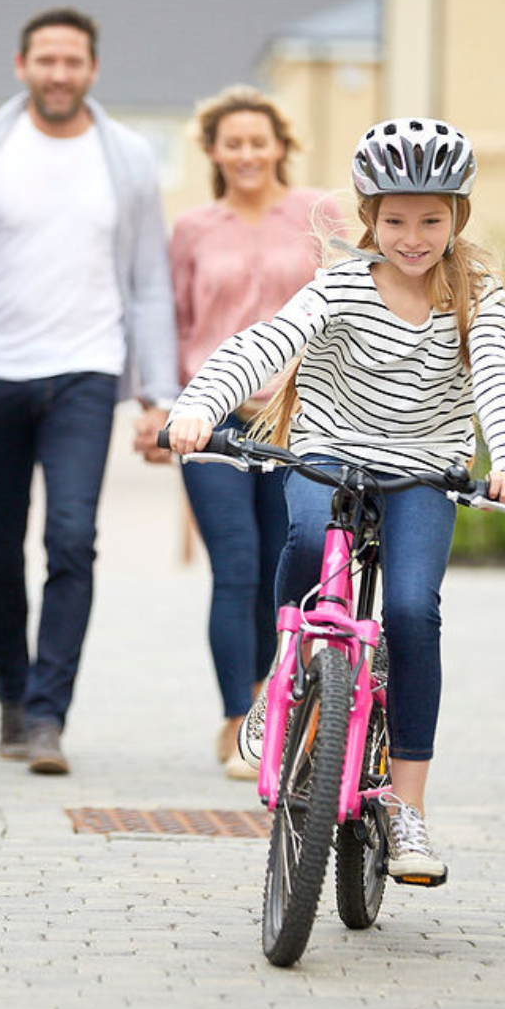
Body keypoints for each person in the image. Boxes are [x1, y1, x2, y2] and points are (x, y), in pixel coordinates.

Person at [165, 117, 505, 878]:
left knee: (409, 612)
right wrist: (200, 405)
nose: (412, 236)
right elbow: (264, 344)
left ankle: (407, 807)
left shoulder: (477, 296)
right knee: (302, 544)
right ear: (369, 218)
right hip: (331, 455)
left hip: (425, 471)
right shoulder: (339, 285)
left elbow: (495, 381)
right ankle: (280, 680)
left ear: (457, 216)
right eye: (395, 219)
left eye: (431, 219)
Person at [0, 7, 178, 775]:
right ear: (21, 65)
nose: (59, 73)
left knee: (72, 537)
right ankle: (12, 695)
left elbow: (149, 281)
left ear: (92, 70)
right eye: (46, 60)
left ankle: (47, 715)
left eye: (73, 61)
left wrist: (158, 392)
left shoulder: (129, 157)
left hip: (86, 367)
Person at [155, 86, 344, 780]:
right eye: (231, 142)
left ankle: (277, 704)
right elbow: (173, 319)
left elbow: (356, 302)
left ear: (280, 146)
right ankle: (241, 717)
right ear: (212, 152)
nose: (245, 153)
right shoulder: (194, 228)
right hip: (214, 420)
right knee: (234, 564)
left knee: (286, 561)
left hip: (300, 418)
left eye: (257, 140)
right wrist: (161, 404)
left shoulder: (319, 216)